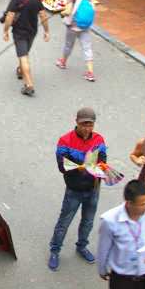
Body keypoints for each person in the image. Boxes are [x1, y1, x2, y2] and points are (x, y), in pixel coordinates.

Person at [48, 107, 107, 271]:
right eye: (84, 124)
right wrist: (79, 167)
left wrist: (101, 166)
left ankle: (82, 246)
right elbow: (62, 166)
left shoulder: (99, 140)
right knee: (64, 222)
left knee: (88, 222)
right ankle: (55, 250)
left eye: (90, 124)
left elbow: (103, 159)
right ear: (77, 122)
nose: (87, 128)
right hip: (74, 190)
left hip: (93, 189)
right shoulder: (65, 141)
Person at [3, 0, 49, 96]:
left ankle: (29, 85)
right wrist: (46, 31)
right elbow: (43, 15)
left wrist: (5, 30)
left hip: (19, 32)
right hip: (32, 31)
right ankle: (20, 70)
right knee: (24, 52)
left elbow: (9, 16)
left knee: (23, 56)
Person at [55, 0, 96, 81]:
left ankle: (63, 62)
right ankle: (90, 72)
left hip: (73, 25)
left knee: (68, 45)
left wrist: (61, 13)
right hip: (85, 25)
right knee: (87, 47)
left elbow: (68, 11)